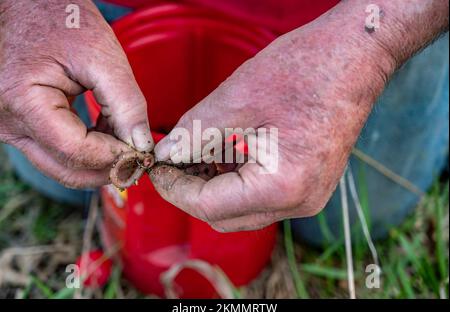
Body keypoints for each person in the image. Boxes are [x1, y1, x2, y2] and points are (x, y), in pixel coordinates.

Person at [0, 0, 448, 241]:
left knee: (355, 222)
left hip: (352, 19)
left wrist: (378, 44)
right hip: (98, 12)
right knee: (53, 172)